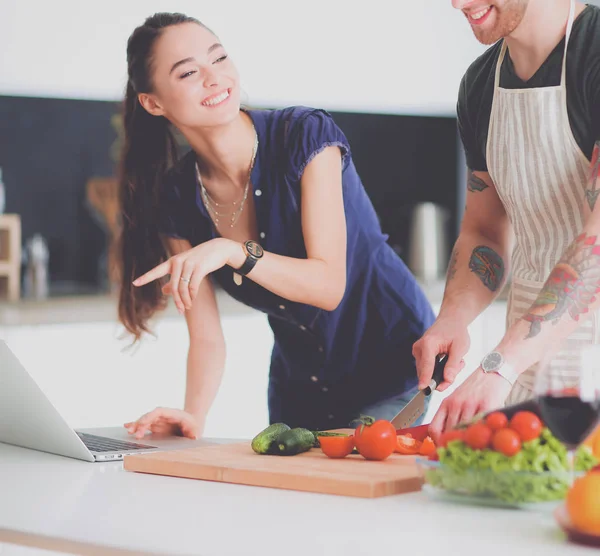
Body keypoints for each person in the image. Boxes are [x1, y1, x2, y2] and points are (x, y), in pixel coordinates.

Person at [117, 13, 435, 439]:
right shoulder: (176, 196)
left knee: (355, 487)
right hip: (300, 388)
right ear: (154, 103)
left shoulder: (304, 135)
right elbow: (207, 337)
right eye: (190, 72)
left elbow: (327, 286)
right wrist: (194, 415)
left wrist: (234, 252)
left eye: (220, 57)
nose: (215, 77)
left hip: (393, 366)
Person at [414, 0, 600, 442]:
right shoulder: (480, 86)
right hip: (526, 373)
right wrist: (453, 318)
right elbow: (484, 230)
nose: (458, 4)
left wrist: (501, 362)